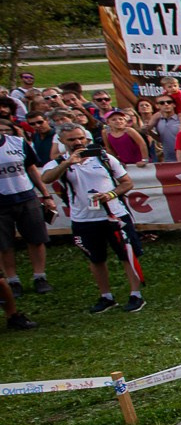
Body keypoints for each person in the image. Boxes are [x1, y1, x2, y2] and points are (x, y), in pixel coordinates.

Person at [45, 124, 143, 312]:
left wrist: (111, 195)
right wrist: (67, 163)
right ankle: (106, 296)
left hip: (114, 215)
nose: (78, 142)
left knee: (127, 255)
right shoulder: (59, 162)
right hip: (83, 219)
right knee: (96, 258)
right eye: (71, 140)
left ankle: (135, 294)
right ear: (62, 142)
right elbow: (46, 179)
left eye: (81, 138)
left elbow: (127, 183)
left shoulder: (104, 158)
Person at [0, 121, 52, 296]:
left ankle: (40, 276)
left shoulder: (17, 142)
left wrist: (46, 194)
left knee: (36, 239)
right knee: (4, 245)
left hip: (26, 197)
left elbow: (31, 169)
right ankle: (12, 280)